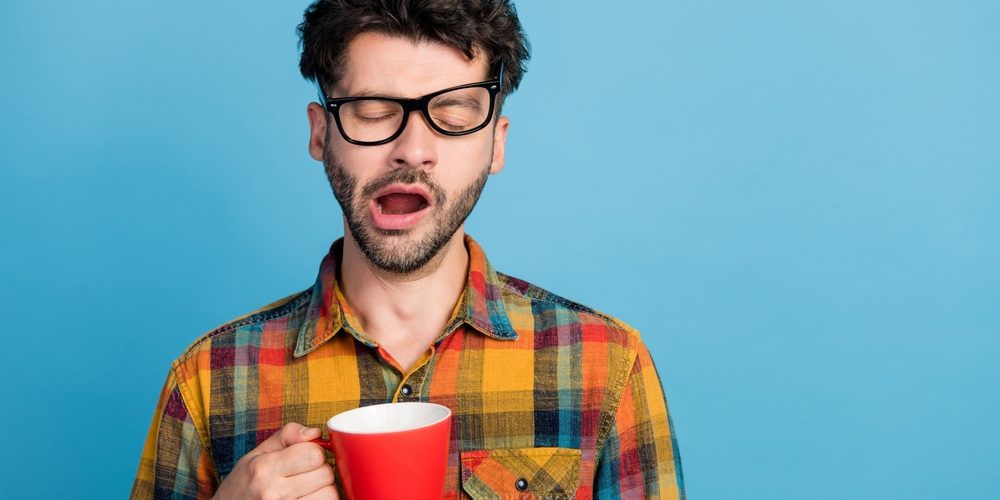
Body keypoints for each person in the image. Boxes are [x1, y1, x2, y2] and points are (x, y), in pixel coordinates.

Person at [131, 1, 685, 498]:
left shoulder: (607, 366)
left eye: (454, 115)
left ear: (496, 143)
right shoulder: (209, 380)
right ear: (321, 133)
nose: (413, 150)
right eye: (373, 111)